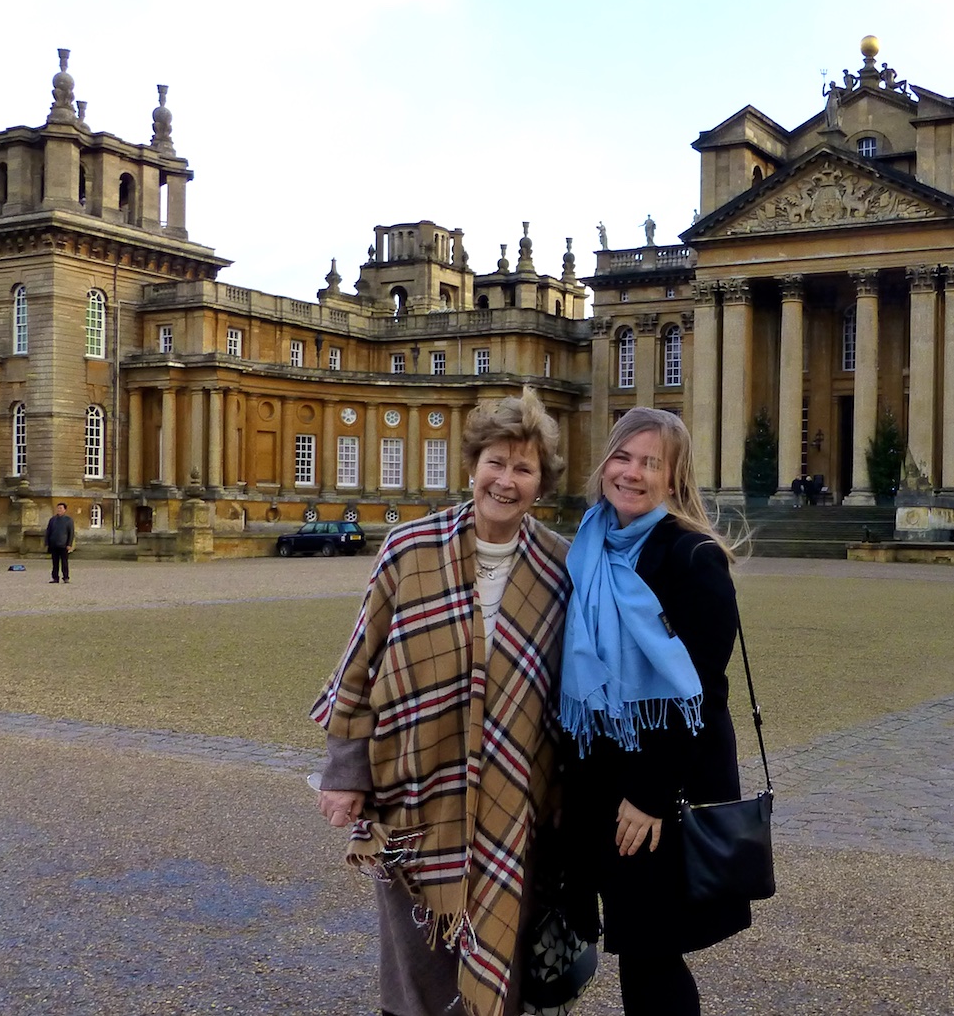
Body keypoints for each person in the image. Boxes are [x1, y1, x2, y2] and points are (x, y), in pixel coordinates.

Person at [311, 388, 573, 1016]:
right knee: (416, 960)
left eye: (523, 468)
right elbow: (360, 663)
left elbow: (576, 690)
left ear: (542, 483)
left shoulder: (562, 567)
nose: (505, 481)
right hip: (413, 794)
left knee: (500, 952)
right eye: (495, 462)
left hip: (516, 799)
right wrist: (345, 775)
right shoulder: (410, 549)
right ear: (473, 464)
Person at [562, 407, 752, 1016]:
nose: (633, 473)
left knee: (651, 950)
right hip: (598, 775)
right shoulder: (587, 545)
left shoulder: (692, 556)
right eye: (623, 456)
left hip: (657, 789)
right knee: (632, 942)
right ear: (604, 464)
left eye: (651, 463)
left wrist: (647, 795)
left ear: (673, 480)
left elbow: (700, 693)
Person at [44, 503, 75, 584]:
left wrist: (69, 544)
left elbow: (71, 533)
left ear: (64, 510)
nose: (59, 510)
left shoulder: (68, 520)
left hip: (63, 544)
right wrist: (47, 542)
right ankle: (55, 577)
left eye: (61, 508)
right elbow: (48, 531)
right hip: (54, 543)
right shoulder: (52, 519)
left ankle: (65, 577)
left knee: (64, 562)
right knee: (55, 562)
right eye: (58, 508)